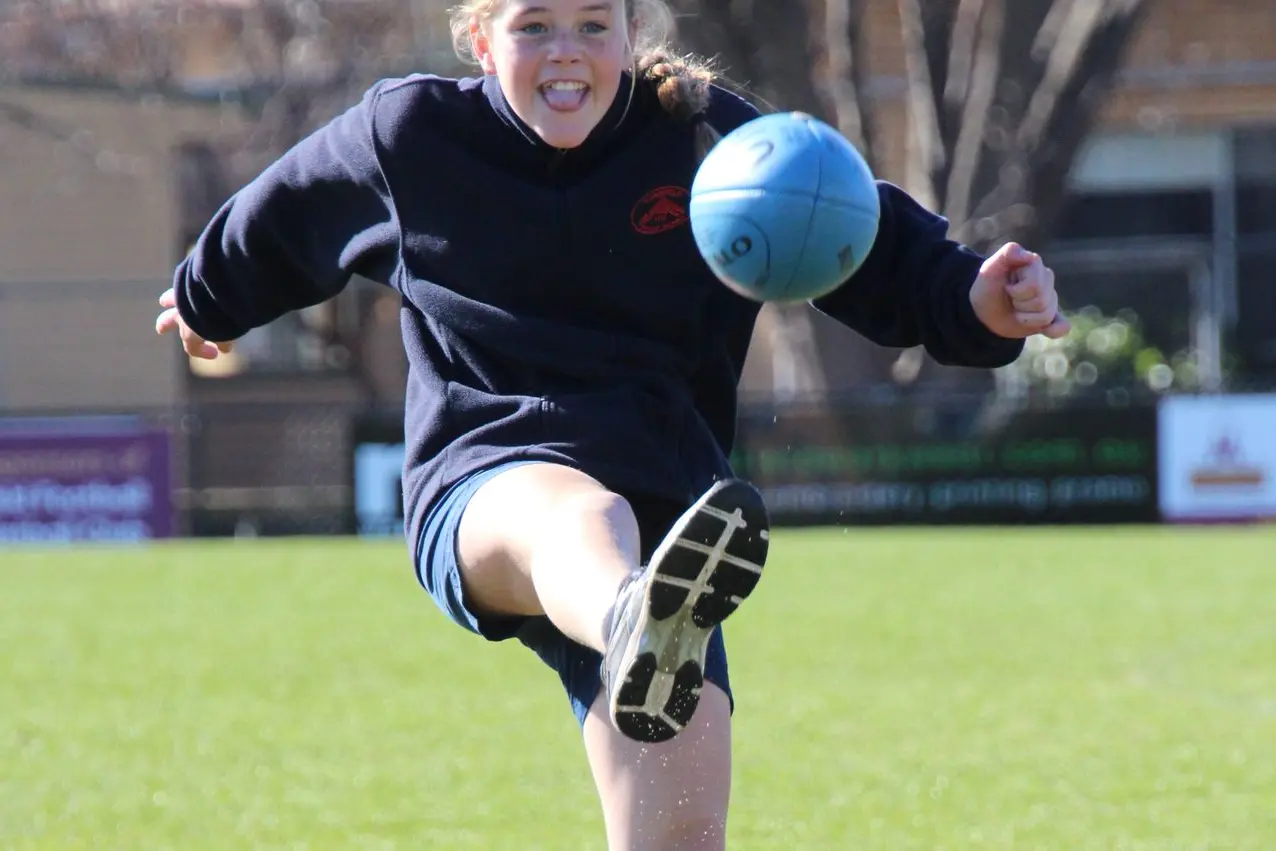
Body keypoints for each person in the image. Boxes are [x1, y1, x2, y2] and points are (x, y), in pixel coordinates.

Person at [155, 0, 1070, 846]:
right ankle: (632, 617)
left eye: (595, 24)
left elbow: (850, 225)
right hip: (491, 482)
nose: (567, 52)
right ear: (481, 40)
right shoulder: (412, 136)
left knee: (678, 838)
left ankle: (646, 622)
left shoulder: (705, 137)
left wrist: (973, 296)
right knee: (584, 518)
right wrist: (207, 299)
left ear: (633, 35)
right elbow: (276, 221)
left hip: (679, 535)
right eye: (534, 26)